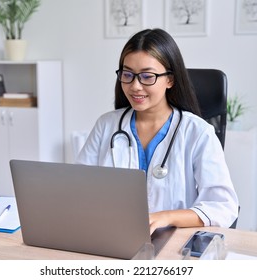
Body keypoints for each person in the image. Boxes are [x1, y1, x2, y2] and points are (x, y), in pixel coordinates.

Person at [76, 28, 238, 233]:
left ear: (170, 79)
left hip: (173, 240)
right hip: (112, 234)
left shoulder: (198, 132)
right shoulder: (106, 125)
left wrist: (165, 217)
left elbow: (223, 206)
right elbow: (80, 189)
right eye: (128, 74)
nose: (135, 86)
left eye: (147, 76)